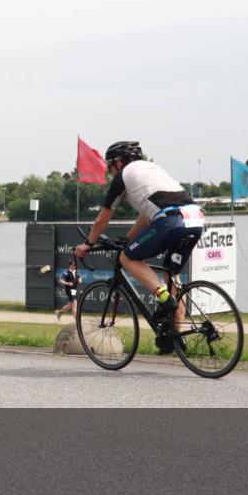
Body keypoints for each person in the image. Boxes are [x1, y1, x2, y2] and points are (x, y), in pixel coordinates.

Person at [73, 141, 204, 348]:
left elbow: (103, 218)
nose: (109, 170)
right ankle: (177, 337)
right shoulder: (151, 170)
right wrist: (128, 239)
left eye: (110, 165)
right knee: (172, 274)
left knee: (127, 257)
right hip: (195, 219)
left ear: (118, 162)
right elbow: (145, 216)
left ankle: (164, 298)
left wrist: (88, 243)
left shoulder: (123, 175)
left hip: (172, 220)